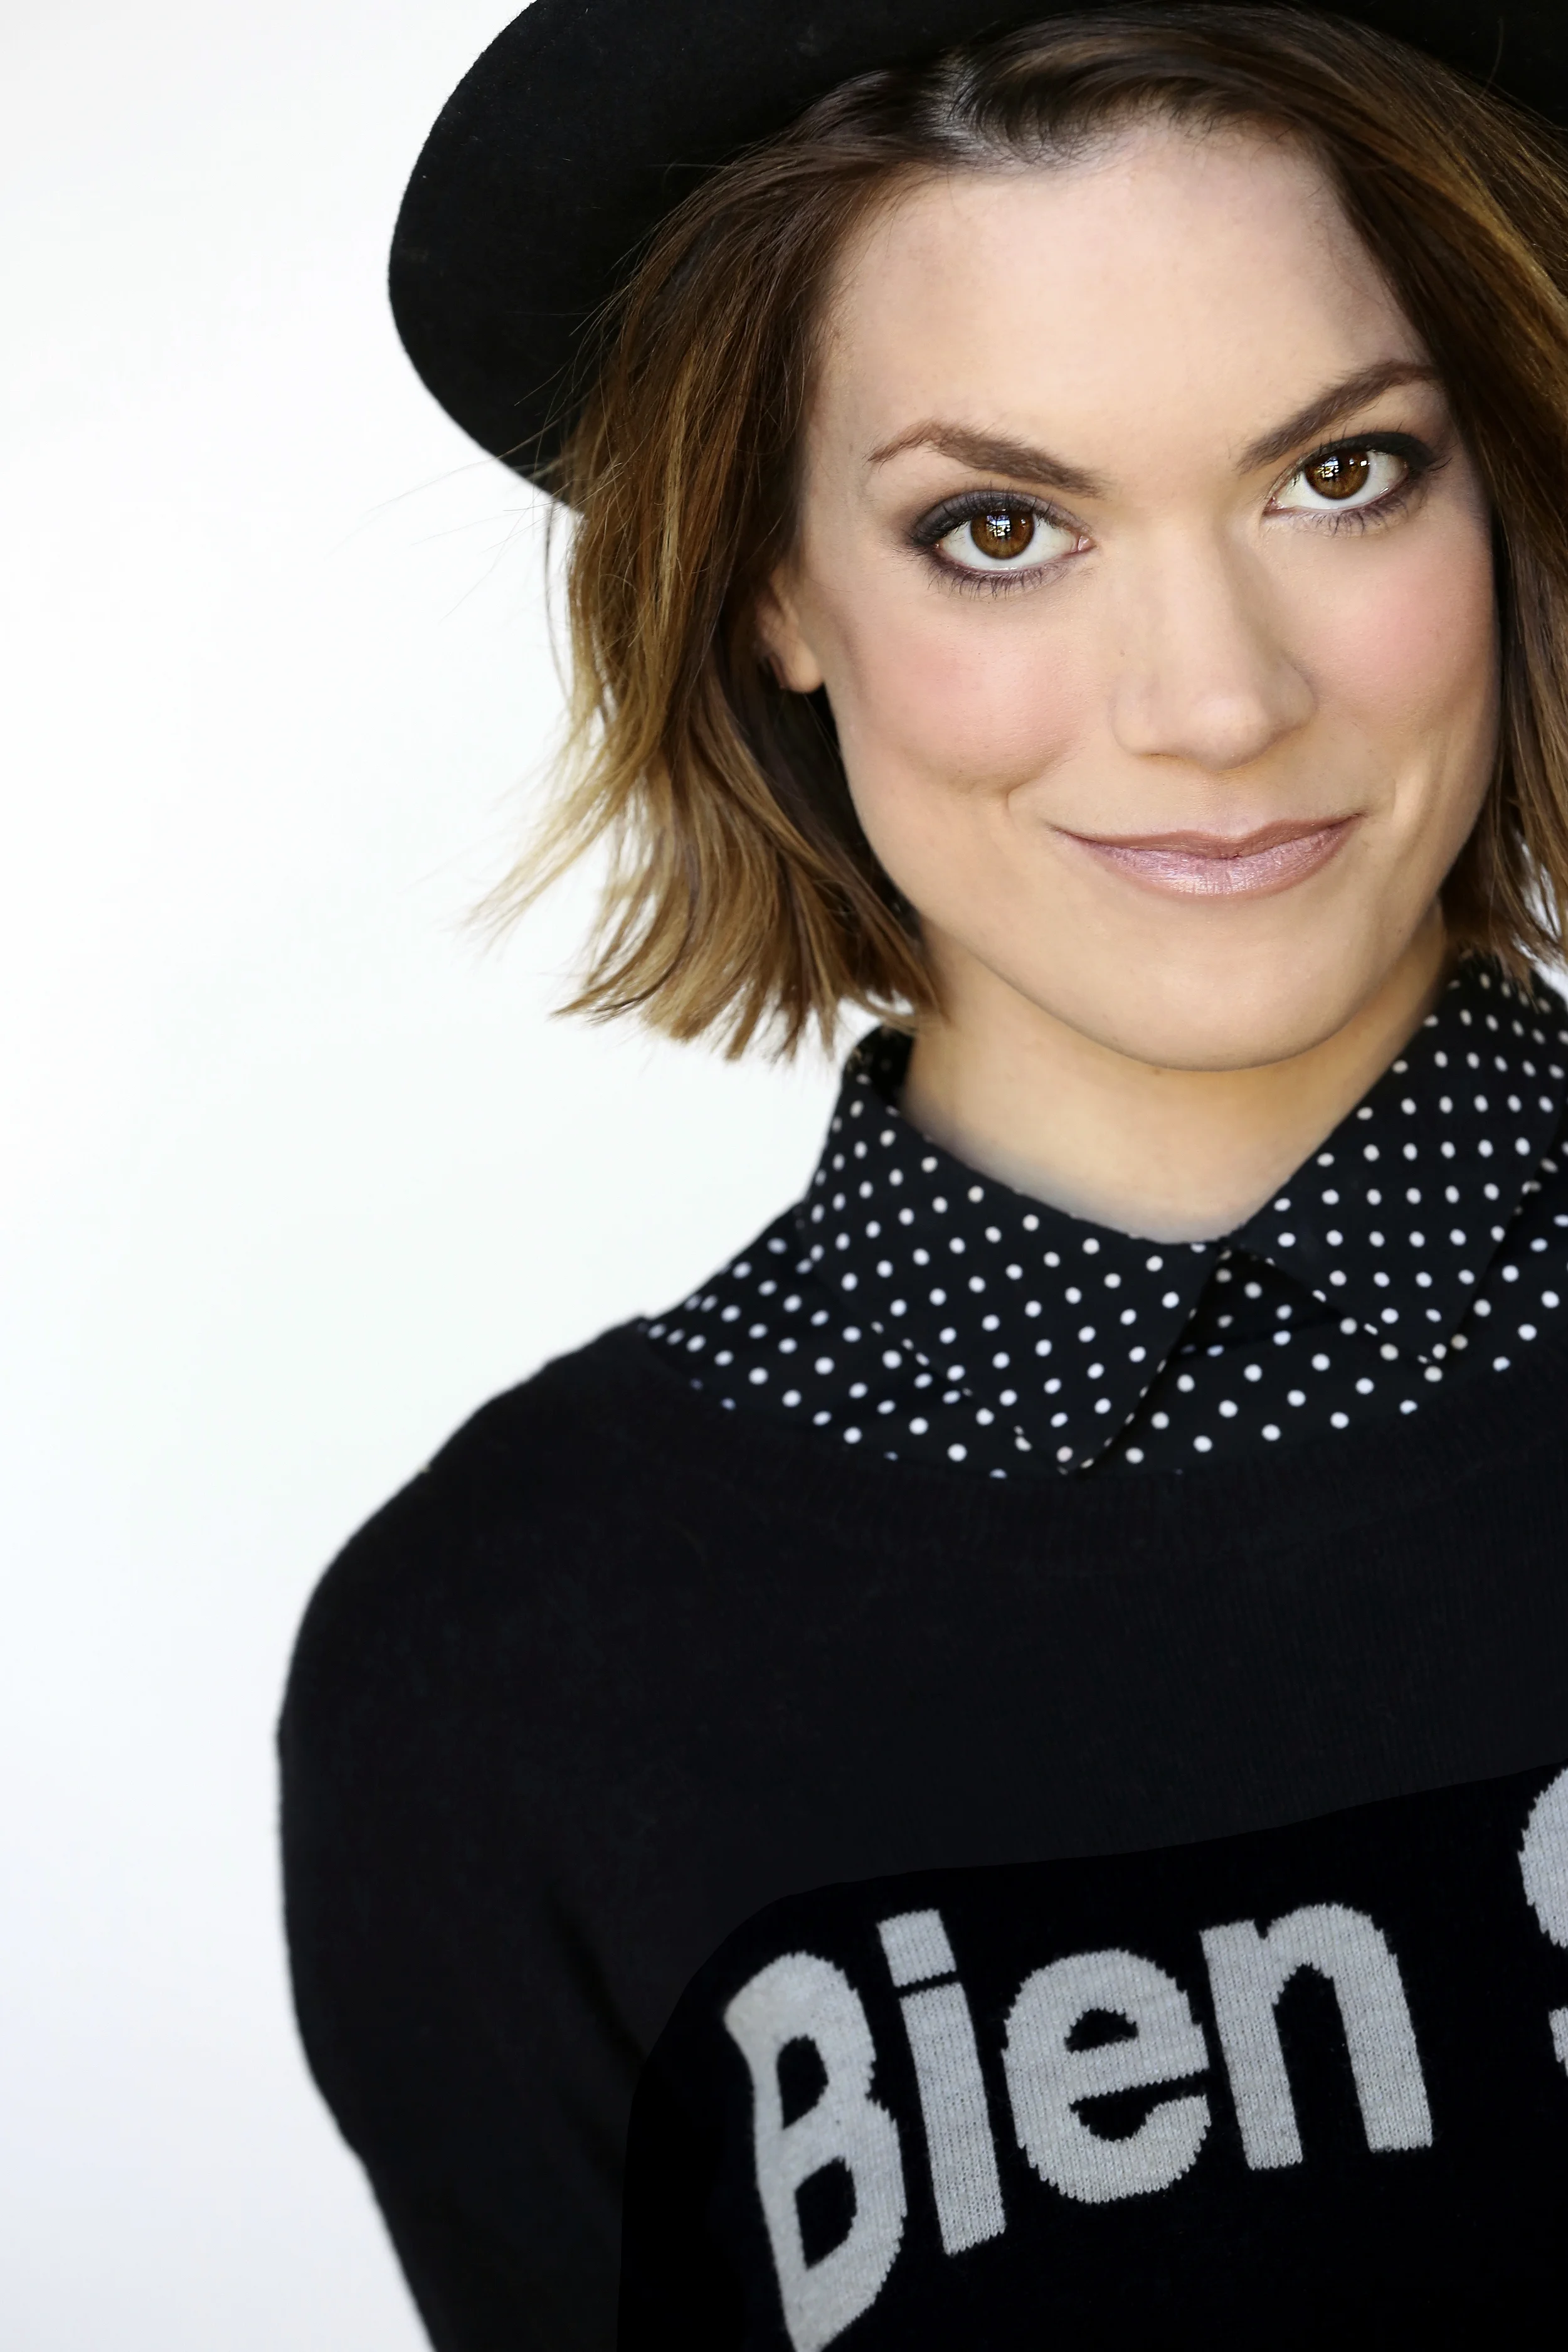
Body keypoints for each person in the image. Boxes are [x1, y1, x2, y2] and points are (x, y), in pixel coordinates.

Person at [280, 4, 1568, 2343]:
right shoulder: (496, 1670)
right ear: (770, 583)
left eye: (1344, 473)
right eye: (1000, 529)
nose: (1210, 698)